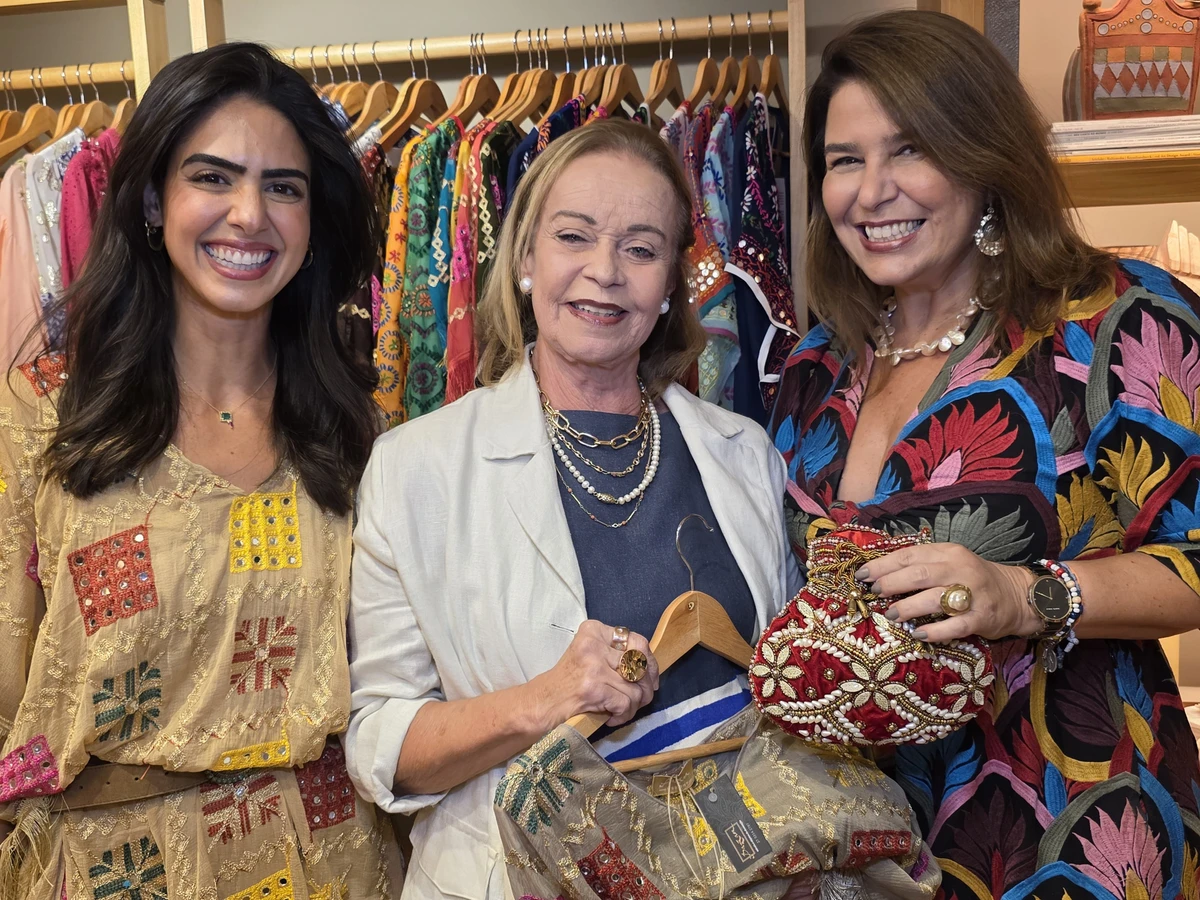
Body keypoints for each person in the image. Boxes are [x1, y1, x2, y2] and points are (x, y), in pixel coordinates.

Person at [770, 10, 1200, 900]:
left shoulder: (1112, 319)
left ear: (983, 155)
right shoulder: (817, 364)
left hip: (1070, 826)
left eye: (911, 150)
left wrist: (1028, 594)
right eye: (846, 160)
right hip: (861, 842)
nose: (872, 191)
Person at [344, 119, 801, 899]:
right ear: (525, 258)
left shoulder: (744, 454)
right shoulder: (415, 468)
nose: (605, 272)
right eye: (574, 236)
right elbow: (380, 742)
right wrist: (544, 702)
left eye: (641, 247)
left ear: (669, 286)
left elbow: (783, 702)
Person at [0, 43, 404, 899]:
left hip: (335, 860)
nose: (249, 214)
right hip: (117, 868)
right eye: (213, 178)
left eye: (283, 187)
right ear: (153, 200)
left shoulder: (359, 426)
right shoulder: (43, 415)